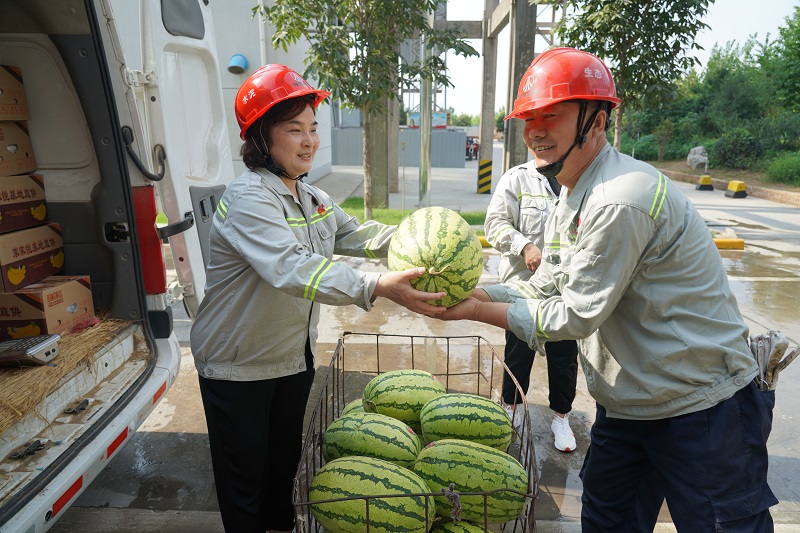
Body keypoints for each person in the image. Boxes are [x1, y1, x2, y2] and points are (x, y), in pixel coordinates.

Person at [423, 48, 777, 532]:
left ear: (597, 119)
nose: (535, 131)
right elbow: (552, 279)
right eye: (529, 118)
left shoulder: (620, 198)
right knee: (608, 522)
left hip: (700, 408)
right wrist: (481, 296)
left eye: (552, 115)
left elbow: (574, 315)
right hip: (631, 406)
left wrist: (472, 314)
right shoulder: (575, 190)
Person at [189, 64, 445, 533]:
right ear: (261, 138)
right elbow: (291, 268)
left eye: (313, 129)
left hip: (291, 357)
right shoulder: (249, 198)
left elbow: (360, 233)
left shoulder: (312, 197)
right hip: (237, 364)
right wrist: (375, 286)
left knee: (282, 469)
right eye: (294, 130)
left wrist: (425, 238)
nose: (309, 141)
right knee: (245, 482)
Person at [485, 150, 579, 452]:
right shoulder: (517, 178)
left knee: (564, 358)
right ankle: (511, 411)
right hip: (522, 290)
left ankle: (561, 417)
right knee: (517, 354)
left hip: (565, 292)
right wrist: (524, 245)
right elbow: (495, 224)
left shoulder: (579, 179)